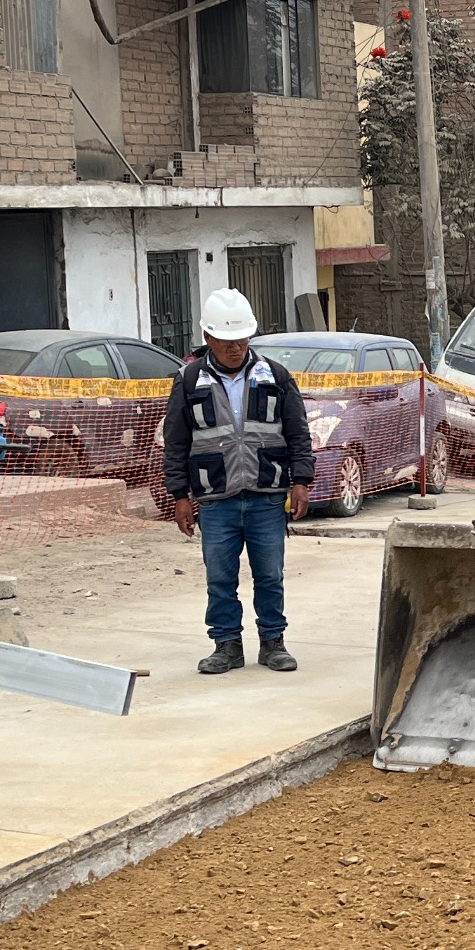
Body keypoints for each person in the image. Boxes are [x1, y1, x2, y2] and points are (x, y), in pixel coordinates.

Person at [162, 287, 313, 674]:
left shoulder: (275, 376)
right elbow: (176, 443)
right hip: (216, 499)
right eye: (227, 340)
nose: (236, 347)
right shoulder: (189, 379)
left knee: (269, 575)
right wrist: (180, 496)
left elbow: (297, 433)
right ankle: (226, 645)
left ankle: (273, 643)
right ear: (209, 337)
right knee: (220, 577)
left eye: (242, 338)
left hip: (266, 496)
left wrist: (301, 482)